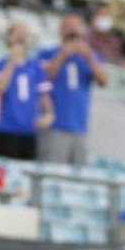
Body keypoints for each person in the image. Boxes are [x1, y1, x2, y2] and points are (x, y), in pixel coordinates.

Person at [38, 14, 108, 165]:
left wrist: (89, 58)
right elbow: (44, 76)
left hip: (80, 126)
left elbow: (103, 81)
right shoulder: (47, 53)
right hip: (55, 125)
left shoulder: (90, 56)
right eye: (68, 27)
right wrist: (63, 54)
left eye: (76, 27)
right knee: (52, 169)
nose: (72, 31)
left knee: (78, 172)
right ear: (61, 30)